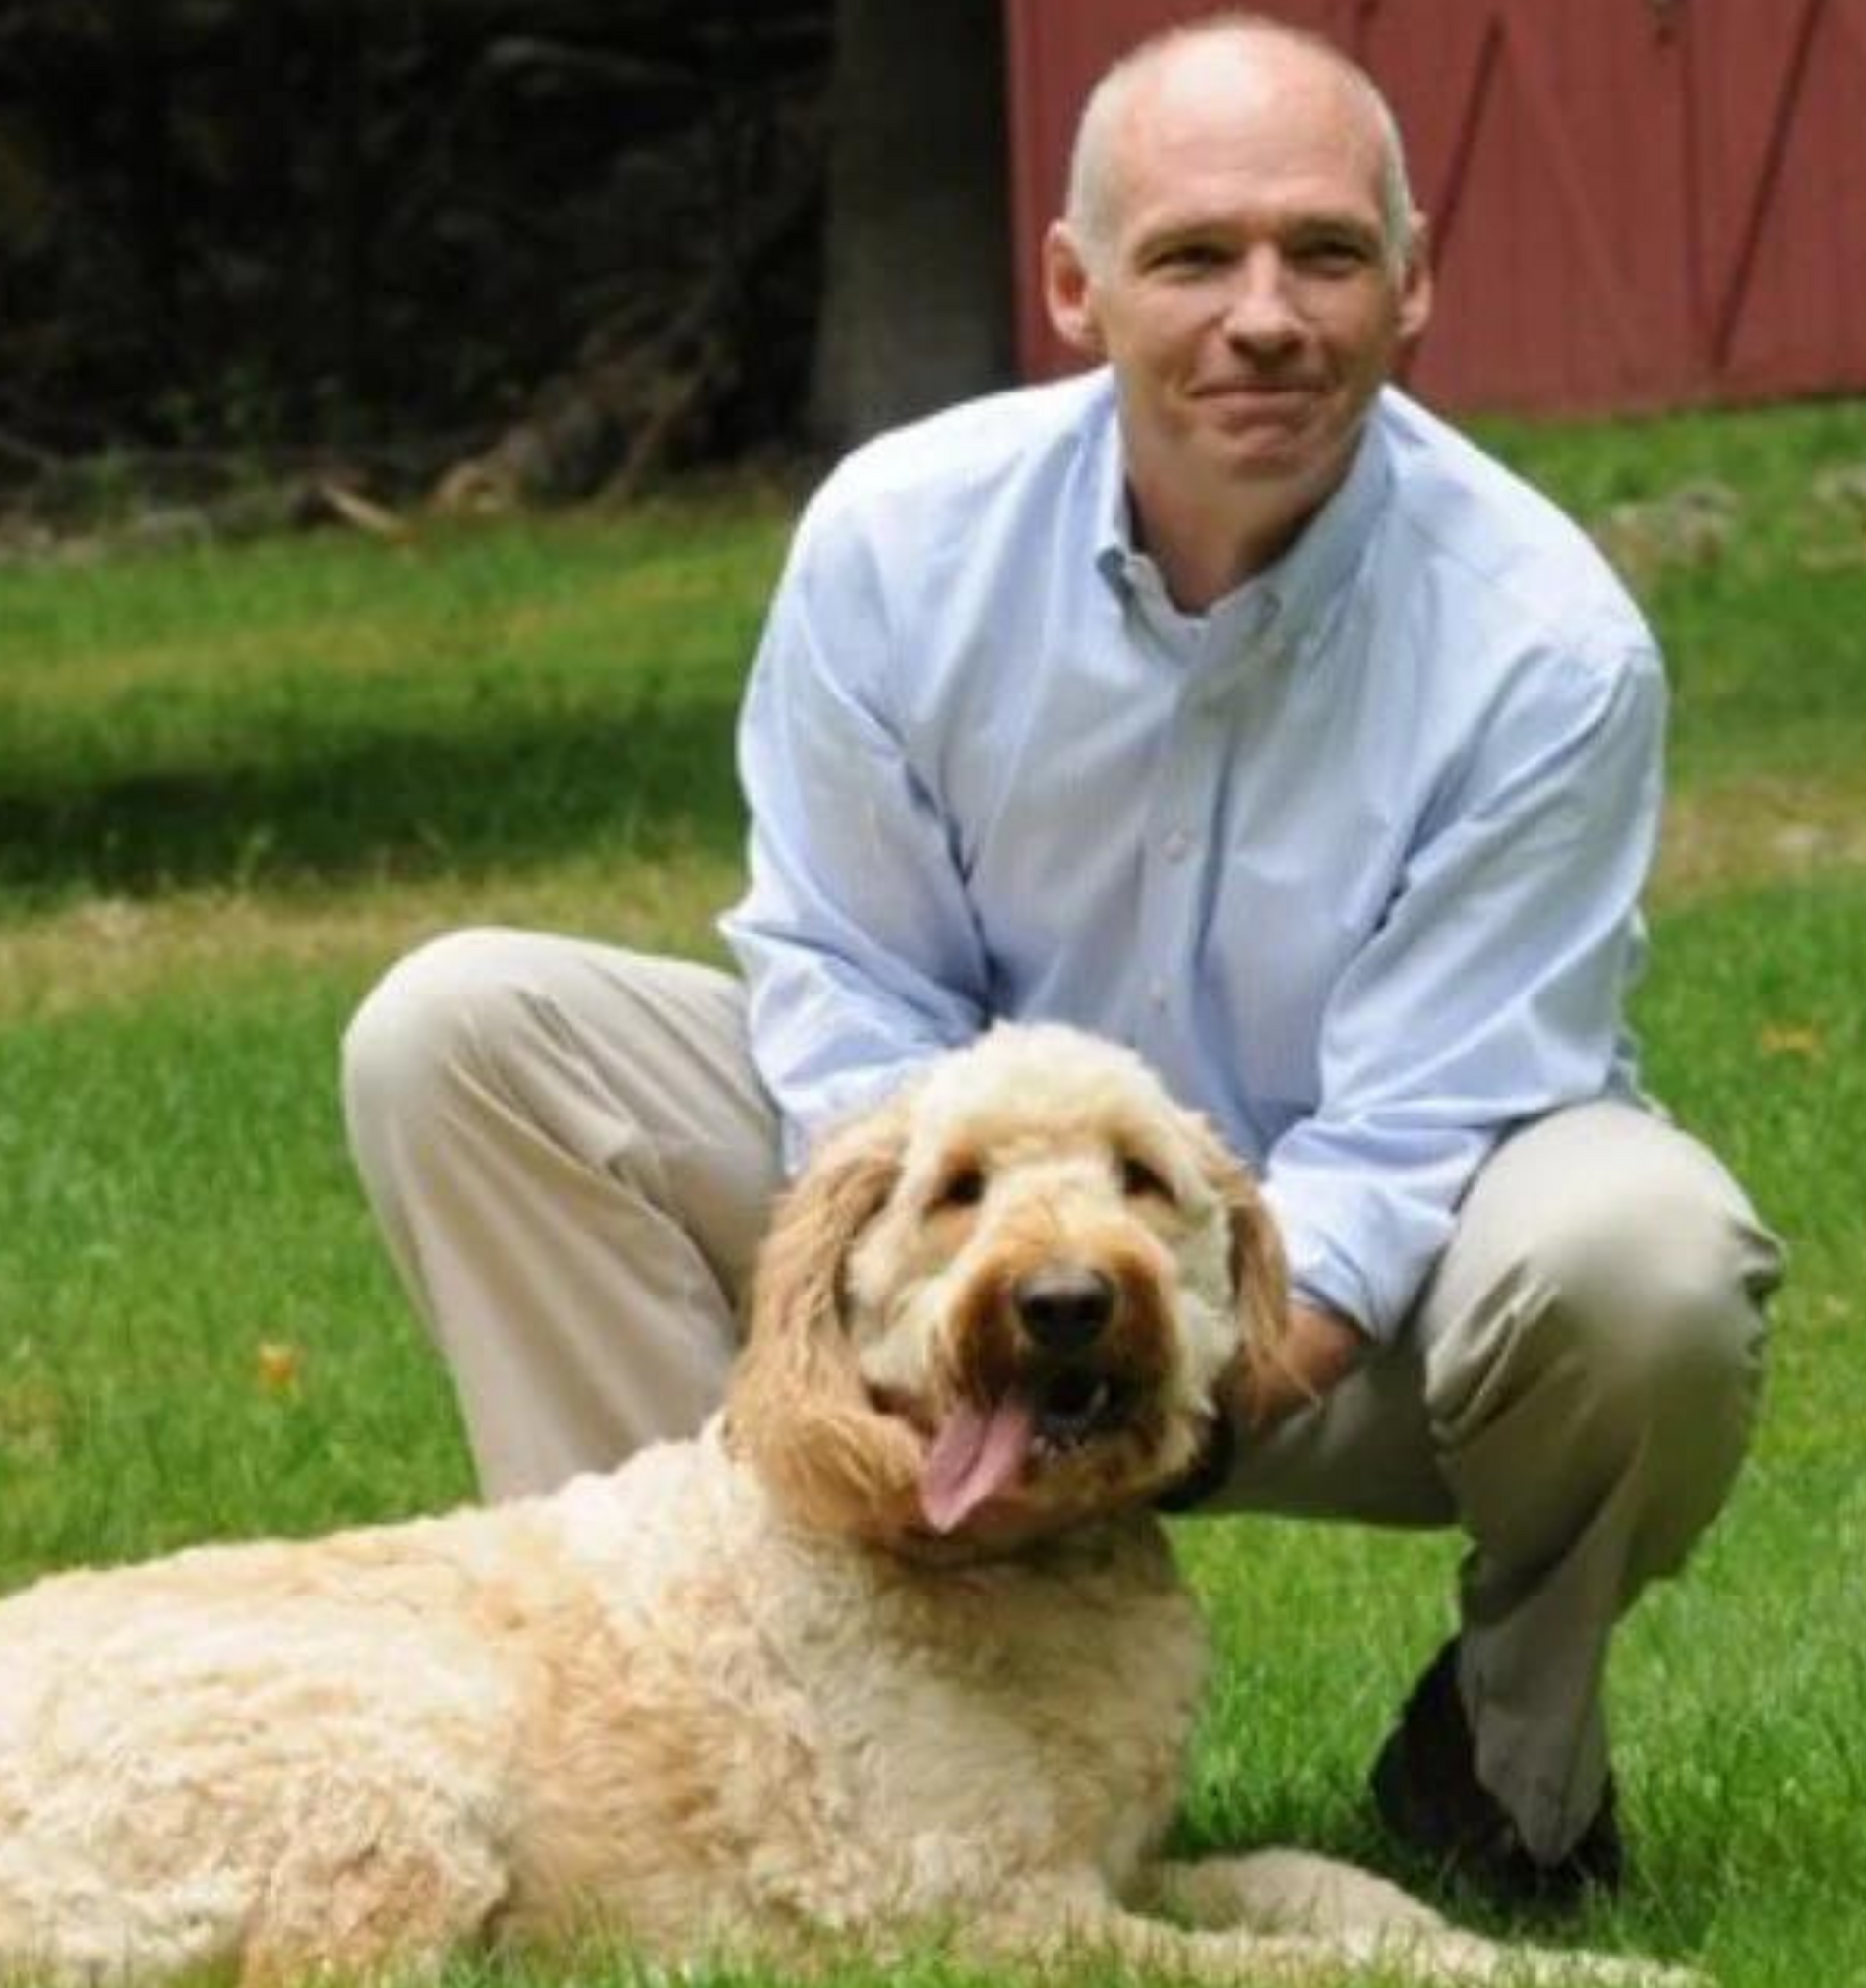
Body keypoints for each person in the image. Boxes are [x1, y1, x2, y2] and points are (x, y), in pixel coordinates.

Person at [342, 10, 1781, 1914]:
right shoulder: (895, 540)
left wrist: (1151, 1346)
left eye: (1324, 254)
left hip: (1335, 1307)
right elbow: (849, 979)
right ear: (1075, 284)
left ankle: (1503, 1777)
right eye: (1195, 256)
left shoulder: (1547, 647)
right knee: (461, 1030)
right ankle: (710, 1704)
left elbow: (1434, 1122)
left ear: (1413, 283)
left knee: (1651, 1268)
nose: (1262, 315)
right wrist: (955, 1318)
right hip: (950, 1254)